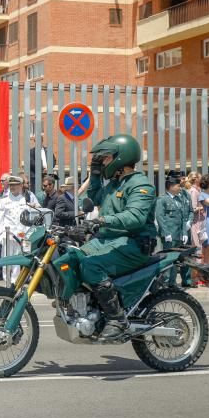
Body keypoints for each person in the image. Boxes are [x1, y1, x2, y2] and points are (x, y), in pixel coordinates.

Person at [78, 134, 157, 339]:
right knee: (73, 258)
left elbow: (135, 217)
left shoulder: (141, 185)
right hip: (107, 240)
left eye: (105, 158)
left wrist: (103, 221)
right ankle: (86, 306)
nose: (102, 162)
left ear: (120, 158)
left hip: (133, 243)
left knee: (92, 265)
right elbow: (94, 198)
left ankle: (117, 319)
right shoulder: (114, 184)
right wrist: (95, 174)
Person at [0, 175, 35, 287]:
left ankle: (14, 280)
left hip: (20, 233)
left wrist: (27, 234)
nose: (12, 187)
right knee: (6, 257)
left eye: (15, 185)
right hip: (8, 234)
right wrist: (1, 233)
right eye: (11, 185)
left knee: (17, 257)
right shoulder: (4, 200)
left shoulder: (26, 200)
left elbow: (29, 218)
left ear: (21, 186)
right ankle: (6, 280)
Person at [155, 174, 192, 288]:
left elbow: (182, 218)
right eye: (177, 186)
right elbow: (160, 217)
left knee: (175, 260)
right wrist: (166, 233)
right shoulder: (162, 199)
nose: (179, 188)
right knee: (168, 260)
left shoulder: (178, 200)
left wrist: (184, 233)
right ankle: (165, 283)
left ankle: (172, 282)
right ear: (170, 186)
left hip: (178, 234)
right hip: (169, 235)